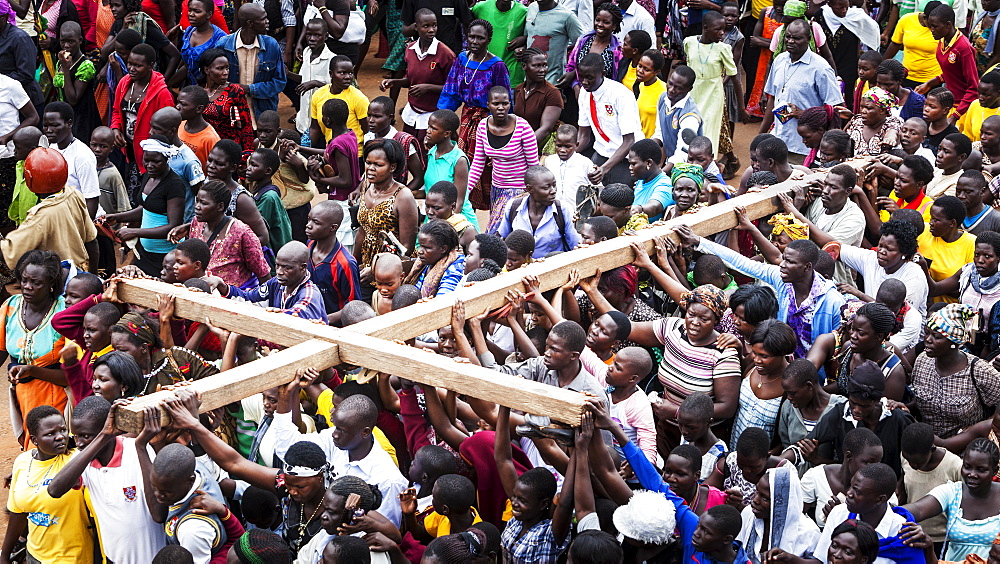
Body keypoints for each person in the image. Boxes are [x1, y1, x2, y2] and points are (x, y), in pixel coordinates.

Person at [678, 225, 844, 358]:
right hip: (780, 361)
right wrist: (699, 241)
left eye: (790, 262)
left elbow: (837, 346)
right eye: (784, 259)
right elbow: (742, 263)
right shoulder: (782, 279)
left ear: (807, 267)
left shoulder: (832, 302)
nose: (782, 265)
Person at [47, 397, 166, 561]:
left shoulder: (137, 451)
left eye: (86, 436)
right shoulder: (84, 460)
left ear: (111, 429)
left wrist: (106, 435)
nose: (79, 443)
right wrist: (102, 436)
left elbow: (158, 515)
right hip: (113, 558)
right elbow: (54, 490)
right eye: (75, 436)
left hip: (151, 557)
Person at [0, 406, 93, 563]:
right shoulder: (23, 462)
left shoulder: (78, 461)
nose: (60, 437)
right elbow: (18, 512)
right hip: (35, 555)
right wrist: (4, 555)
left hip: (73, 557)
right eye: (50, 434)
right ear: (35, 440)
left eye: (63, 430)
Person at [437, 19, 511, 212]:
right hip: (466, 119)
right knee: (463, 164)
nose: (475, 41)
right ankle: (465, 210)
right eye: (472, 36)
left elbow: (505, 100)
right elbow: (450, 91)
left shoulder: (497, 65)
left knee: (486, 168)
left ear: (489, 40)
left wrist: (501, 128)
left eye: (480, 38)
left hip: (489, 122)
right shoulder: (462, 59)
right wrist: (443, 121)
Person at [808, 361, 914, 477]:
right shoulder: (839, 414)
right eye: (853, 403)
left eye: (865, 406)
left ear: (877, 401)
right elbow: (804, 444)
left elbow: (921, 452)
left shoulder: (898, 418)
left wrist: (902, 482)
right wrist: (815, 459)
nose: (857, 410)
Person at [1, 147, 98, 274]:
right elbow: (92, 241)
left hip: (57, 281)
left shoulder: (41, 215)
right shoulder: (73, 194)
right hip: (79, 274)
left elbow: (9, 253)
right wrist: (93, 275)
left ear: (29, 178)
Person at [910, 303, 1000, 439]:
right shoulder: (922, 361)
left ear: (954, 342)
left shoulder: (979, 371)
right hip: (927, 445)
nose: (928, 340)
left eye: (936, 336)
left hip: (967, 448)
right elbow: (919, 400)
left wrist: (982, 428)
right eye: (927, 333)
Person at [760, 18, 845, 158]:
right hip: (778, 141)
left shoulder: (820, 68)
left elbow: (837, 110)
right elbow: (773, 99)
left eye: (797, 38)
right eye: (788, 37)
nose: (791, 41)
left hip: (803, 148)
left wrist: (803, 114)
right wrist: (761, 136)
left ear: (808, 39)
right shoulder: (779, 60)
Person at [104, 137, 186, 275]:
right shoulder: (149, 176)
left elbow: (173, 227)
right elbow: (146, 208)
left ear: (167, 160)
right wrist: (117, 217)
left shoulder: (174, 185)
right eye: (146, 160)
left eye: (156, 161)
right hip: (145, 251)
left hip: (164, 255)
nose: (149, 165)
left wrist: (134, 232)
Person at [467, 86, 539, 233]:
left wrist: (533, 194)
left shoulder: (523, 127)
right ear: (488, 105)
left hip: (519, 189)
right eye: (496, 104)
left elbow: (534, 167)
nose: (501, 108)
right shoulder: (482, 126)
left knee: (495, 231)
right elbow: (478, 164)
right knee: (506, 232)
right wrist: (464, 191)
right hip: (497, 188)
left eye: (505, 103)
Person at [109, 43, 176, 191]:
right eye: (130, 64)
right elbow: (116, 111)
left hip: (150, 159)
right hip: (127, 152)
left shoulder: (162, 93)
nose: (131, 69)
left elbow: (169, 129)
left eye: (137, 66)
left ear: (150, 65)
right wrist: (115, 129)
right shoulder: (124, 83)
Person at [182, 180, 270, 288]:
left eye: (204, 203)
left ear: (220, 206)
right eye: (197, 201)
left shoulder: (241, 232)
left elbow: (263, 273)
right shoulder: (197, 223)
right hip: (197, 290)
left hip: (230, 297)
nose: (197, 206)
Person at [211, 241, 327, 322]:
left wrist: (268, 314)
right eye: (277, 266)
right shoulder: (276, 283)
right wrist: (222, 285)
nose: (279, 272)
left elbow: (294, 317)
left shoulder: (310, 294)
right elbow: (248, 297)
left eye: (287, 268)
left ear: (302, 267)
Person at [354, 138, 419, 276]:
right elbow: (362, 230)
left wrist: (375, 270)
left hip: (392, 270)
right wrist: (354, 263)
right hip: (366, 264)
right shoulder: (367, 185)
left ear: (392, 167)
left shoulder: (402, 197)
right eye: (368, 163)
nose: (370, 168)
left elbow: (406, 249)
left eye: (378, 164)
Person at [576, 53, 641, 186]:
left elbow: (629, 141)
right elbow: (584, 136)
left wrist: (604, 169)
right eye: (581, 77)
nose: (584, 82)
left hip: (624, 159)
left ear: (603, 74)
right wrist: (568, 154)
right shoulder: (584, 92)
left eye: (590, 78)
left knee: (618, 202)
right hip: (600, 155)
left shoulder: (621, 95)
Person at [731, 320, 796, 449]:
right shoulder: (751, 363)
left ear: (782, 354)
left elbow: (788, 439)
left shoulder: (792, 385)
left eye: (764, 356)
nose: (757, 360)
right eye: (754, 352)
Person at [736, 465, 821, 563]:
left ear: (783, 503)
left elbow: (820, 561)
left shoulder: (809, 532)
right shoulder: (749, 514)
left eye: (765, 498)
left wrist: (793, 561)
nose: (755, 500)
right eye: (757, 492)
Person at [899, 422, 964, 546]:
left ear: (932, 450)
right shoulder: (906, 456)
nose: (913, 466)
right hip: (913, 533)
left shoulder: (954, 465)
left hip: (944, 539)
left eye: (918, 462)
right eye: (909, 461)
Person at [218, 3, 286, 117]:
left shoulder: (271, 45)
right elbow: (215, 82)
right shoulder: (223, 46)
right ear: (250, 23)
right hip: (233, 114)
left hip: (262, 113)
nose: (267, 21)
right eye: (263, 19)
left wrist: (250, 89)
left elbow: (279, 82)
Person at [684, 11, 736, 158]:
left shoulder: (723, 48)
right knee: (692, 126)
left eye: (724, 29)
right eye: (718, 29)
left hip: (713, 94)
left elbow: (733, 74)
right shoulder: (689, 42)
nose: (722, 33)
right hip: (694, 92)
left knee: (708, 130)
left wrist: (741, 106)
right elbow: (689, 65)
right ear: (706, 28)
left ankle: (707, 164)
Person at [497, 166, 580, 257]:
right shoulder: (513, 207)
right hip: (521, 269)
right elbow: (503, 238)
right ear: (529, 189)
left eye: (554, 185)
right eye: (546, 187)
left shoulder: (563, 210)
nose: (553, 191)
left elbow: (575, 247)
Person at [915, 3, 980, 119]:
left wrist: (955, 116)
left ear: (948, 25)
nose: (932, 30)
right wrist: (929, 84)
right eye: (930, 26)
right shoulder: (942, 40)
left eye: (935, 26)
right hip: (948, 104)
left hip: (961, 108)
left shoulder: (963, 48)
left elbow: (974, 87)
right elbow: (952, 72)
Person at [306, 200, 360, 324]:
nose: (308, 225)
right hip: (308, 318)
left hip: (332, 326)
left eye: (316, 222)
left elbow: (353, 305)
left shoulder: (345, 263)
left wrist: (325, 319)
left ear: (333, 228)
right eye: (308, 220)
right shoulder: (309, 246)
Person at [918, 196, 977, 303]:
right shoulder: (923, 230)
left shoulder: (971, 244)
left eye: (936, 220)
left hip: (948, 311)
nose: (930, 222)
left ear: (952, 223)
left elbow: (964, 289)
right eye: (931, 218)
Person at [197, 48, 254, 154]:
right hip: (205, 146)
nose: (225, 73)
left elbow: (246, 124)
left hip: (228, 148)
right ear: (207, 70)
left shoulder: (235, 91)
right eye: (220, 68)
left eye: (227, 68)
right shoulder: (198, 91)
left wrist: (247, 153)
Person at [309, 55, 369, 152]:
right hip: (331, 150)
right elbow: (315, 128)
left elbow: (367, 131)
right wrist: (305, 148)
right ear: (331, 74)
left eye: (351, 73)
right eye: (342, 73)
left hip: (354, 153)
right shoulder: (319, 95)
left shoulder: (359, 98)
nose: (348, 77)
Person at [560, 2, 623, 87]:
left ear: (614, 26)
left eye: (606, 22)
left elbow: (618, 79)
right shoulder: (583, 40)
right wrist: (575, 86)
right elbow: (571, 66)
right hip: (579, 91)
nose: (600, 24)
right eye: (597, 20)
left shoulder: (618, 50)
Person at [521, 0, 584, 85]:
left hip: (553, 83)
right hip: (529, 83)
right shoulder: (532, 8)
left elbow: (585, 45)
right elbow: (528, 37)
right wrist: (521, 49)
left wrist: (573, 73)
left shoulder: (567, 16)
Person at [512, 48, 563, 148]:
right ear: (524, 66)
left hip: (544, 145)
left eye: (545, 65)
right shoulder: (519, 90)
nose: (542, 70)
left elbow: (546, 128)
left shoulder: (552, 93)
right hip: (522, 142)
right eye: (536, 66)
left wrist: (520, 148)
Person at [245, 148, 293, 252]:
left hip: (272, 253)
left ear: (267, 171)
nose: (248, 168)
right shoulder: (259, 190)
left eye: (254, 165)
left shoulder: (268, 197)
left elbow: (257, 228)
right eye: (249, 164)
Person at [656, 65, 703, 165]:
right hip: (671, 161)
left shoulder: (690, 116)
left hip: (687, 168)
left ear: (689, 89)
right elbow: (660, 132)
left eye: (678, 88)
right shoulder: (663, 99)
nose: (671, 90)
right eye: (670, 83)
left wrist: (661, 174)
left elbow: (683, 153)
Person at [406, 220, 465, 297]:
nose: (420, 251)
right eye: (420, 246)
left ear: (443, 249)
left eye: (426, 248)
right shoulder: (427, 262)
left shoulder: (454, 269)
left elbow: (442, 301)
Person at [746, 0, 785, 118]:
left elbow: (784, 45)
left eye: (782, 5)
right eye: (776, 4)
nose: (779, 8)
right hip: (764, 58)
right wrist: (775, 43)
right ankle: (760, 112)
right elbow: (754, 39)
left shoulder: (790, 17)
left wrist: (763, 42)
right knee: (761, 81)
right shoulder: (766, 12)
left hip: (780, 58)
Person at [845, 87, 904, 157]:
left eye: (868, 108)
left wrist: (890, 139)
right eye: (861, 107)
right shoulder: (856, 121)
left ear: (882, 110)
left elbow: (893, 131)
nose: (863, 111)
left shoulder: (893, 122)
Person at [180, 0, 226, 86]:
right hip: (190, 85)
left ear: (209, 14)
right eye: (190, 10)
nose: (191, 14)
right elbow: (187, 65)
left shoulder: (220, 39)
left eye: (197, 11)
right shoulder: (189, 31)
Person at [176, 85, 221, 169]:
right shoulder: (179, 125)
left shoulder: (210, 138)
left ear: (199, 109)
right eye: (178, 102)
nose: (177, 106)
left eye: (183, 104)